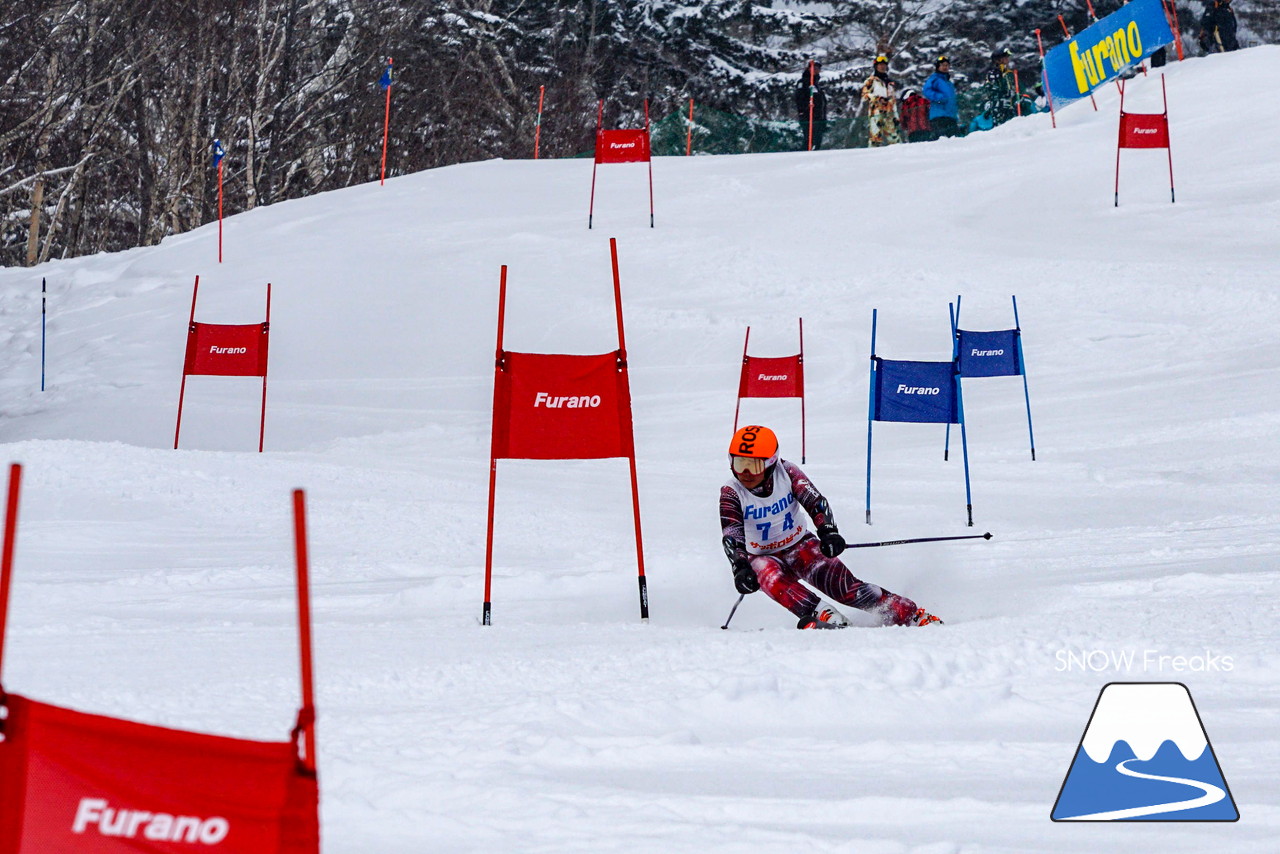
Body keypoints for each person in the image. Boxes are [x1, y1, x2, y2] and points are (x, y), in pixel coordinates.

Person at [719, 425, 942, 629]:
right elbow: (732, 534)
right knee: (766, 574)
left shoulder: (786, 472)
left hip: (798, 545)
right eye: (739, 464)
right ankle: (821, 614)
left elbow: (815, 502)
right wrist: (740, 568)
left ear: (770, 462)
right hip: (762, 555)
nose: (745, 474)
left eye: (753, 466)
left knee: (846, 589)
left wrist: (828, 532)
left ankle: (908, 614)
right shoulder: (731, 492)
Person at [860, 54, 901, 147]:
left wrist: (896, 115)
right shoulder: (871, 80)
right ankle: (873, 158)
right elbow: (864, 95)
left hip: (890, 113)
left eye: (884, 65)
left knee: (895, 138)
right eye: (880, 64)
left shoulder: (890, 82)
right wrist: (877, 99)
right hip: (876, 113)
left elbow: (893, 99)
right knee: (875, 138)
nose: (882, 66)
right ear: (876, 66)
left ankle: (898, 158)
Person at [794, 61, 829, 150]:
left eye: (818, 69)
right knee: (809, 139)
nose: (816, 71)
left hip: (819, 117)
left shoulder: (817, 84)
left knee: (817, 139)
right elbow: (799, 98)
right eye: (814, 68)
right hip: (808, 116)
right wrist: (803, 110)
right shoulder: (804, 82)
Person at [921, 55, 959, 138]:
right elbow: (926, 90)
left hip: (951, 116)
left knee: (954, 141)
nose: (945, 67)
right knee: (942, 140)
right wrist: (939, 98)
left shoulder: (949, 83)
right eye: (942, 65)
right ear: (938, 67)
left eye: (946, 65)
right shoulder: (935, 79)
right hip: (939, 115)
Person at [982, 48, 1018, 127]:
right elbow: (990, 89)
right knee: (1001, 127)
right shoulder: (993, 74)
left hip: (1011, 107)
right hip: (999, 107)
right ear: (997, 60)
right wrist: (1002, 91)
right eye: (1005, 58)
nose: (1007, 60)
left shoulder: (1009, 73)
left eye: (1007, 58)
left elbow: (1016, 88)